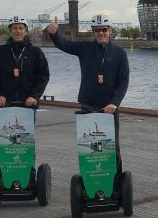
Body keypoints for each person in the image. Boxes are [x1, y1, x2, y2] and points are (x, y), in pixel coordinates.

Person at [47, 13, 130, 174]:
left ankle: (116, 181)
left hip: (109, 108)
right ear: (93, 32)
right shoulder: (85, 48)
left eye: (104, 30)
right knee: (89, 146)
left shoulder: (119, 53)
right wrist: (53, 33)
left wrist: (114, 103)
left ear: (110, 31)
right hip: (87, 105)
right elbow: (64, 44)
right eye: (97, 30)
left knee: (112, 146)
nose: (101, 33)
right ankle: (89, 179)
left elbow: (123, 81)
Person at [0, 15, 50, 110]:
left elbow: (43, 76)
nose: (18, 31)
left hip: (29, 103)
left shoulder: (36, 52)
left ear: (26, 30)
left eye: (21, 28)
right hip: (5, 103)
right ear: (10, 31)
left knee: (26, 125)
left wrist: (34, 96)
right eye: (14, 28)